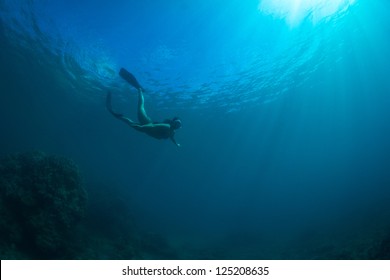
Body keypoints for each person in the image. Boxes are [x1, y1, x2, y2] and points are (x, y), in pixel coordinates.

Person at [106, 68, 181, 147]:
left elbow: (171, 137)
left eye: (179, 124)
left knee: (132, 122)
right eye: (177, 123)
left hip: (147, 129)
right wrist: (141, 127)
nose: (178, 125)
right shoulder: (166, 127)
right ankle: (140, 90)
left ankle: (120, 116)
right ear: (173, 122)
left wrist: (176, 144)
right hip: (146, 123)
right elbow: (152, 126)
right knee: (141, 107)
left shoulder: (173, 132)